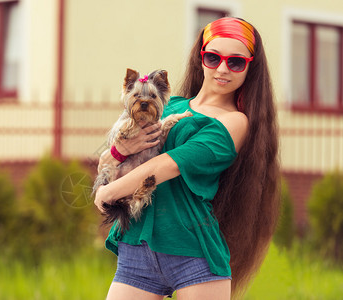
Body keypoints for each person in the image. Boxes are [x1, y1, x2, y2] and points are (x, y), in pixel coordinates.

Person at [95, 17, 280, 300]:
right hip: (138, 245)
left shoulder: (235, 122)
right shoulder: (170, 105)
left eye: (236, 62)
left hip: (192, 252)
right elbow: (109, 158)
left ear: (250, 68)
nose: (222, 68)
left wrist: (108, 192)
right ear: (200, 58)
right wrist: (121, 152)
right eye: (213, 57)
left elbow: (168, 165)